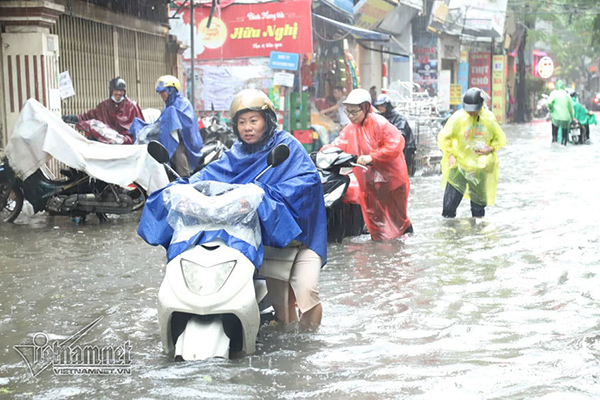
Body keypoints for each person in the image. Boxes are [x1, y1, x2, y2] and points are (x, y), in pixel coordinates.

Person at [139, 89, 327, 330]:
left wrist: (266, 195)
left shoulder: (286, 146)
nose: (247, 127)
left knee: (307, 293)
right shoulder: (236, 155)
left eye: (253, 120)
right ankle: (286, 344)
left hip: (302, 237)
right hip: (271, 239)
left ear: (266, 121)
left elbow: (308, 184)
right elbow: (209, 177)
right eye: (241, 122)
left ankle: (309, 345)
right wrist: (182, 188)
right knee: (282, 311)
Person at [324, 88, 413, 240]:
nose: (351, 116)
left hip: (392, 181)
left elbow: (396, 144)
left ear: (365, 107)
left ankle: (405, 244)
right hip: (368, 182)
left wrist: (371, 157)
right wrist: (323, 153)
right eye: (348, 112)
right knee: (374, 220)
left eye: (354, 112)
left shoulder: (379, 123)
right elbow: (339, 143)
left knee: (397, 219)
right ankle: (380, 249)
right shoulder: (351, 129)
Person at [437, 87, 506, 218]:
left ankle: (477, 235)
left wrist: (489, 149)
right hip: (459, 167)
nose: (471, 113)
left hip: (479, 168)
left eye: (474, 110)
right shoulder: (457, 118)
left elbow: (500, 139)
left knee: (478, 211)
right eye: (469, 110)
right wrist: (450, 153)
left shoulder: (489, 119)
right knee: (448, 209)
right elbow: (444, 137)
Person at [131, 75, 203, 176]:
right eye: (160, 93)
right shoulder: (168, 104)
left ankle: (185, 179)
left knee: (178, 153)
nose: (161, 95)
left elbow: (185, 125)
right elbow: (162, 121)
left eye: (163, 92)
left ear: (171, 90)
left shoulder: (183, 103)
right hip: (172, 137)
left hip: (185, 141)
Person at [62, 77, 144, 144]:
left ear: (124, 92)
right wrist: (73, 118)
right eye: (116, 90)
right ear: (111, 91)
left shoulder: (132, 106)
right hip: (107, 140)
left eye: (121, 91)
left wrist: (126, 140)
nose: (118, 93)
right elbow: (88, 116)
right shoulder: (104, 106)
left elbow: (140, 128)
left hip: (125, 141)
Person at [373, 94, 417, 174]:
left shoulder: (398, 118)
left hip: (404, 150)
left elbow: (399, 136)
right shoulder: (379, 117)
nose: (380, 108)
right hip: (388, 151)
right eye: (378, 106)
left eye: (382, 105)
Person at [547, 80, 575, 145]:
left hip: (555, 118)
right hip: (566, 118)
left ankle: (554, 147)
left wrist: (551, 109)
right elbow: (570, 108)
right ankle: (563, 145)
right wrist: (572, 117)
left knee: (554, 136)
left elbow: (549, 103)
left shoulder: (553, 93)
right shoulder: (567, 95)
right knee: (564, 136)